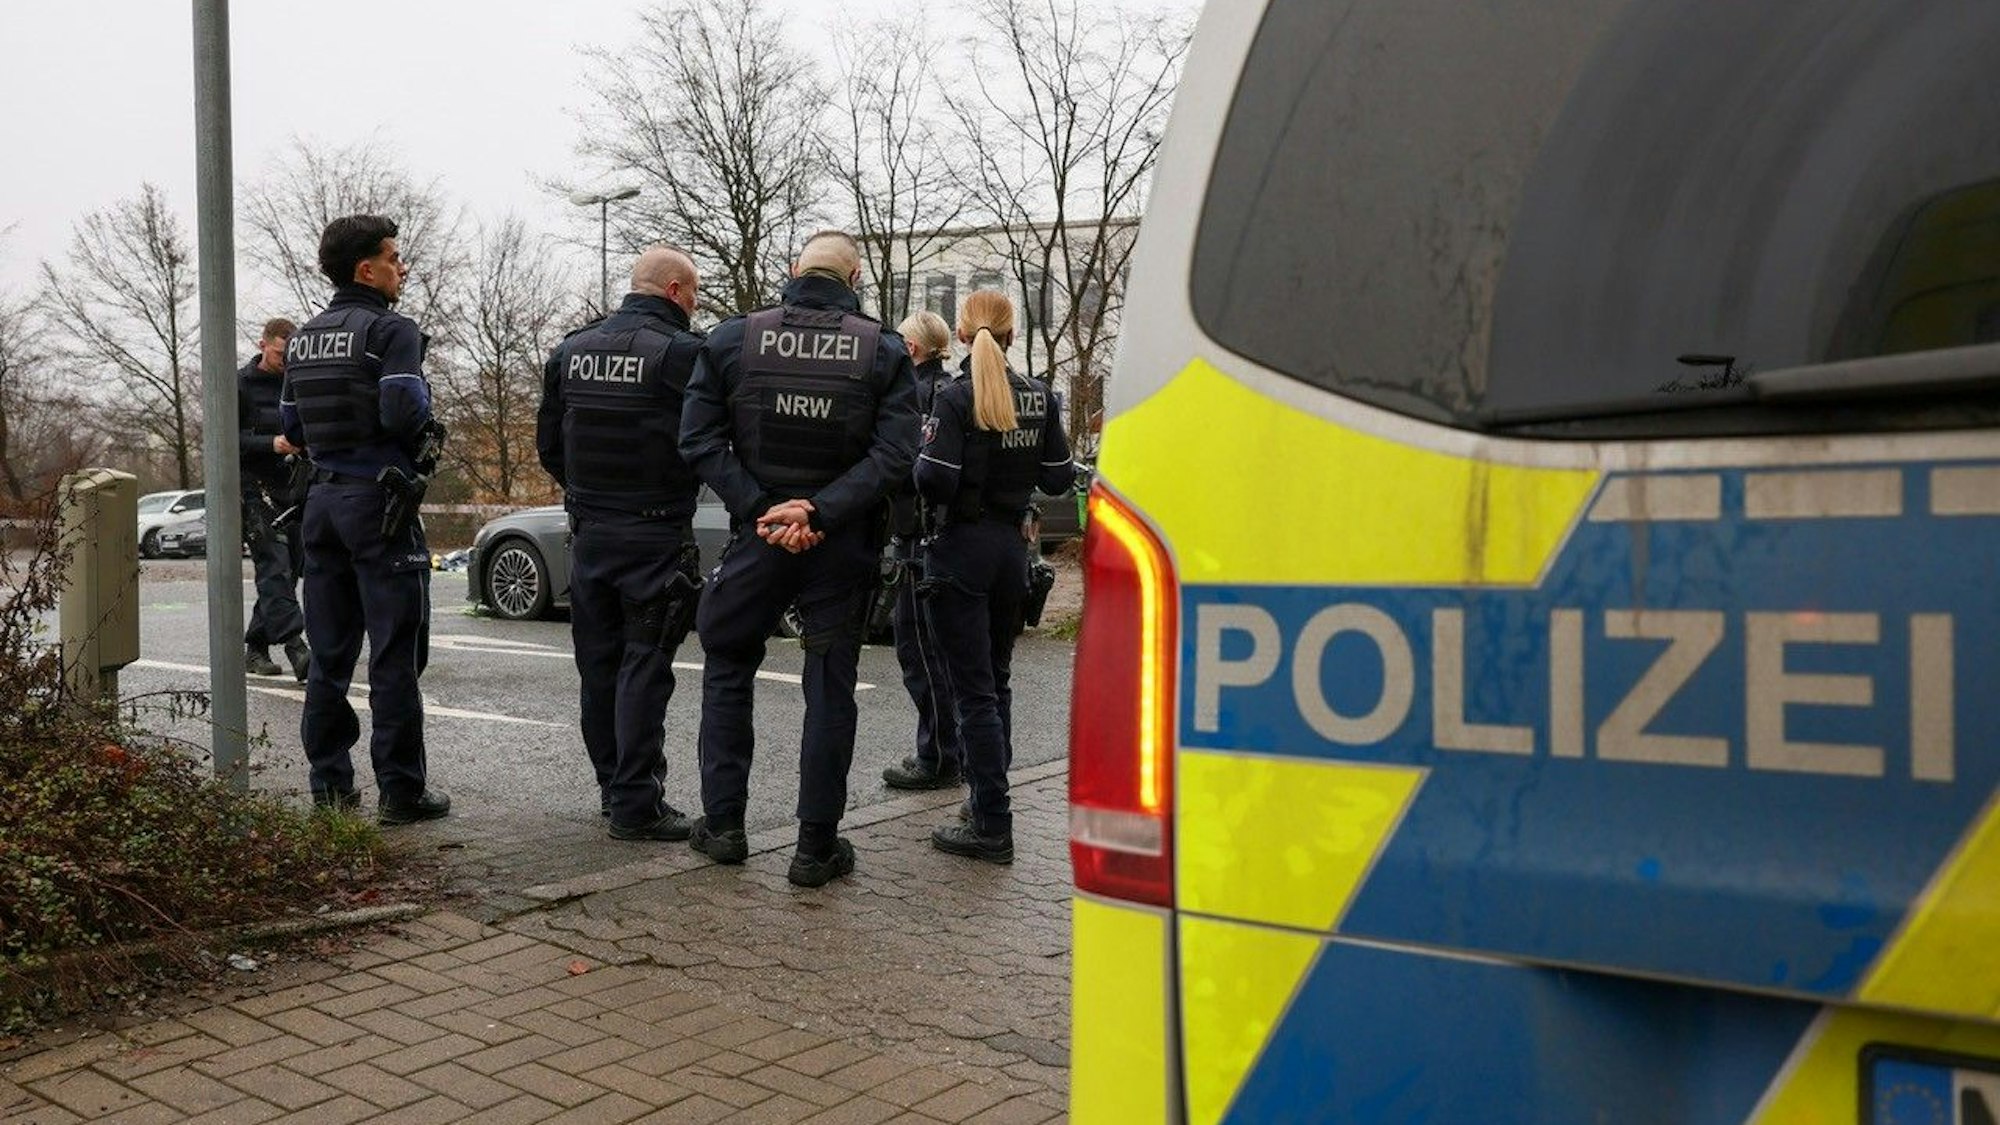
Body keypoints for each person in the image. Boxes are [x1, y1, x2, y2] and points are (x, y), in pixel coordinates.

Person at [678, 230, 918, 887]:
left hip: (756, 537)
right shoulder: (882, 349)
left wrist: (764, 508)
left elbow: (697, 439)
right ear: (856, 276)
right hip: (839, 544)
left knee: (727, 663)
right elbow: (895, 456)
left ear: (793, 270)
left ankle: (723, 826)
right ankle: (815, 849)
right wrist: (818, 510)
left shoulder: (731, 339)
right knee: (829, 684)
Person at [280, 215, 448, 825]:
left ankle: (330, 787)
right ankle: (402, 792)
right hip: (379, 505)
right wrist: (425, 427)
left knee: (328, 653)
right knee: (395, 654)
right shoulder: (390, 329)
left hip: (320, 506)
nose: (402, 268)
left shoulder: (302, 339)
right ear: (366, 269)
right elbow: (403, 406)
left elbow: (292, 428)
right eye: (394, 257)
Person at [536, 246, 707, 841]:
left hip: (589, 531)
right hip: (654, 531)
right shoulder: (682, 354)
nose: (694, 305)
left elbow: (549, 446)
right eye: (694, 294)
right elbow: (706, 440)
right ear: (676, 292)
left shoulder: (571, 350)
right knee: (645, 664)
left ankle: (614, 789)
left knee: (599, 666)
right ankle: (637, 804)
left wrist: (590, 494)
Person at [914, 290, 1075, 864]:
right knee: (997, 682)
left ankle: (991, 822)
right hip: (1012, 551)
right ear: (1012, 333)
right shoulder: (1039, 396)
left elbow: (932, 479)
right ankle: (987, 798)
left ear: (963, 335)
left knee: (972, 692)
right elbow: (1058, 479)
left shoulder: (954, 398)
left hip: (961, 551)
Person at [881, 310, 964, 791]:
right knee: (948, 653)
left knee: (919, 650)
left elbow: (905, 468)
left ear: (911, 349)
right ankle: (950, 751)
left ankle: (936, 755)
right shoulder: (953, 388)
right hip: (950, 537)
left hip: (918, 540)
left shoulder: (914, 397)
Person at [237, 316, 309, 683]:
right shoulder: (240, 385)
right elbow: (223, 441)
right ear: (263, 344)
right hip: (252, 490)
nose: (285, 361)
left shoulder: (296, 383)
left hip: (292, 488)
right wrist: (270, 443)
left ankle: (255, 646)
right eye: (281, 353)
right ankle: (298, 648)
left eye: (290, 354)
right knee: (275, 564)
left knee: (288, 569)